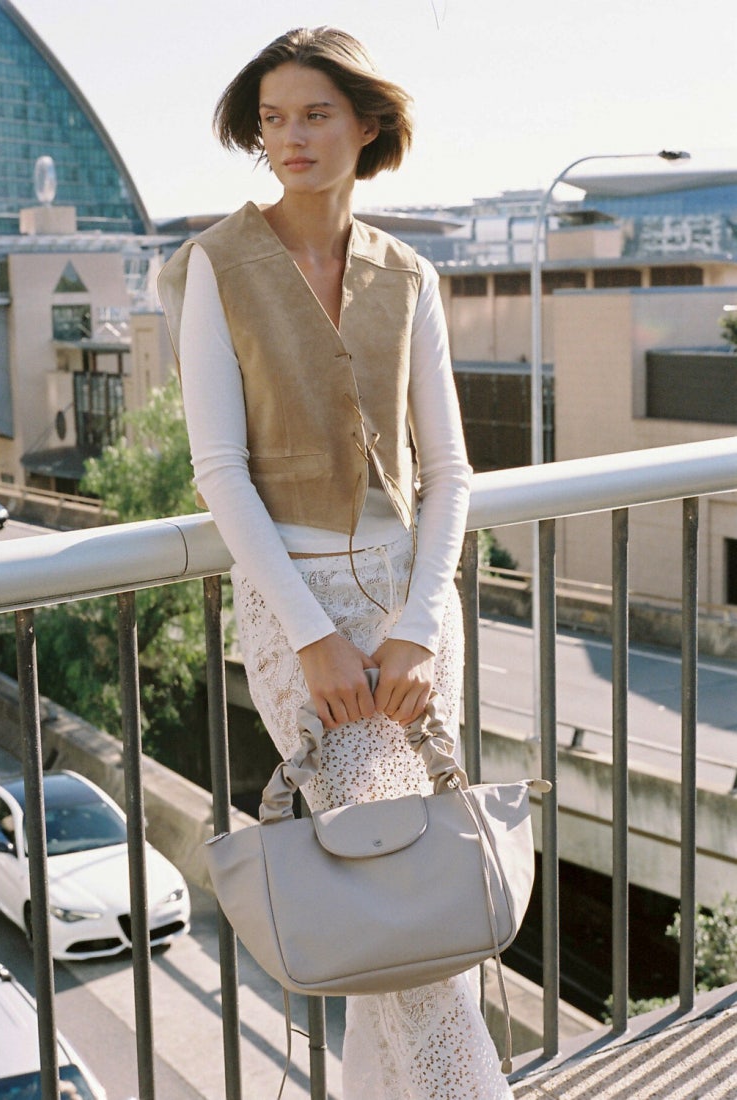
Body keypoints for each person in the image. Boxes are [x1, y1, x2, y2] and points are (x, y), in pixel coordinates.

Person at [158, 26, 513, 1100]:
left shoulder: (409, 273)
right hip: (297, 610)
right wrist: (312, 636)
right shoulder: (214, 265)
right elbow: (219, 470)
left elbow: (448, 470)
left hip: (410, 611)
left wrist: (420, 624)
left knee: (400, 890)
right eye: (271, 119)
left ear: (366, 124)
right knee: (405, 900)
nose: (290, 138)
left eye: (313, 114)